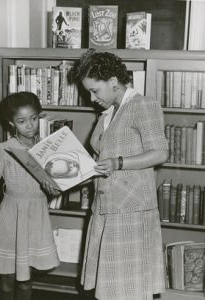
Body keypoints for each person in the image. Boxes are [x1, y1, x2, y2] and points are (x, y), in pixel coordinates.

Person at [71, 49, 169, 300]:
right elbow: (102, 155)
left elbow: (160, 153)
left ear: (113, 81)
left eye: (95, 90)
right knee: (110, 290)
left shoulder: (143, 105)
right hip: (106, 207)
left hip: (131, 211)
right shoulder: (107, 113)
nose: (92, 98)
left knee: (129, 291)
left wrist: (118, 162)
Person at [0, 92, 60, 300]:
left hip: (37, 216)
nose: (30, 126)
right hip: (10, 215)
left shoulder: (48, 149)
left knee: (26, 279)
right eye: (22, 121)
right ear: (11, 122)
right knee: (7, 279)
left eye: (34, 118)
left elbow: (57, 185)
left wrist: (53, 189)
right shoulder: (2, 151)